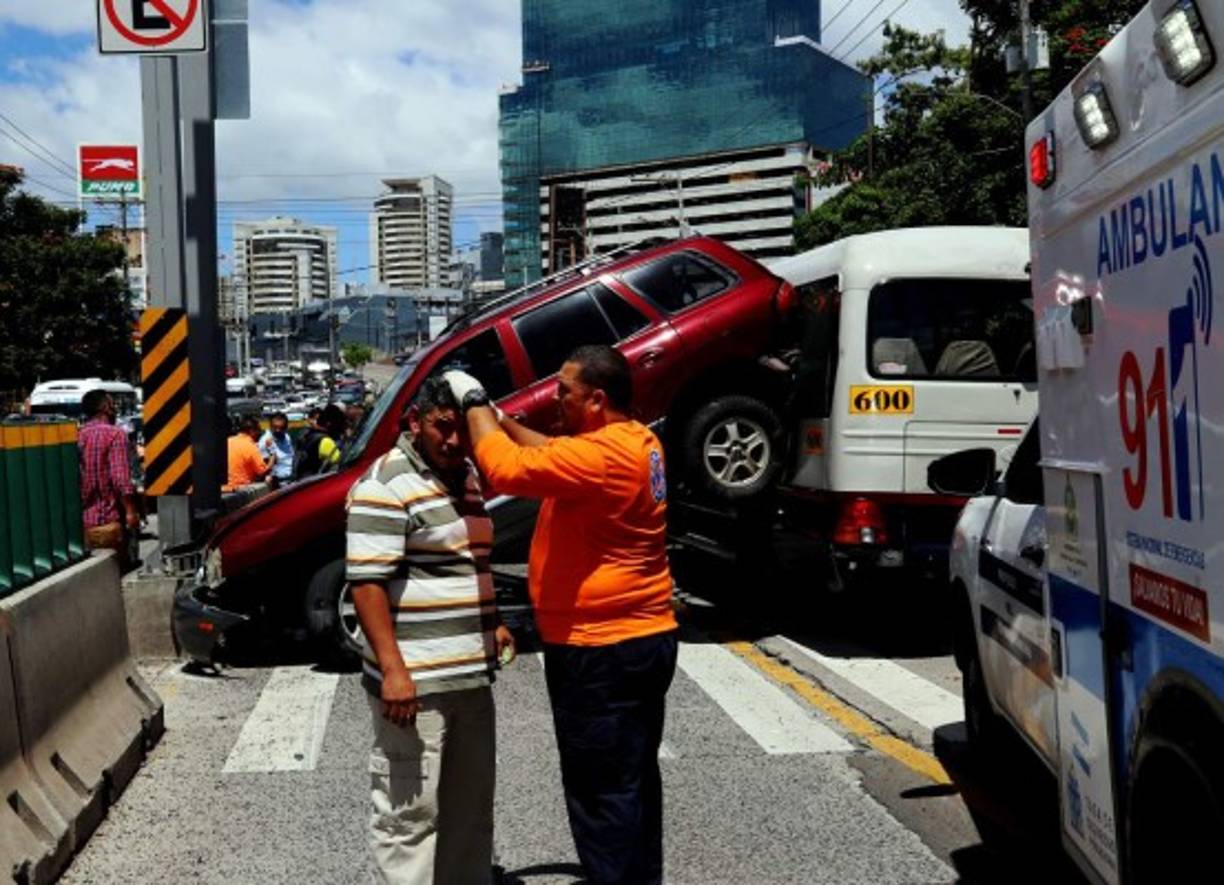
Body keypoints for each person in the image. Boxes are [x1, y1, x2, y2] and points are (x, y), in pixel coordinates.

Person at [444, 344, 678, 885]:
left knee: (600, 790)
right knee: (633, 779)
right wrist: (501, 418)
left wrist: (472, 401)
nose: (555, 399)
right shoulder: (636, 442)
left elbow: (503, 468)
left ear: (596, 399)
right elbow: (550, 449)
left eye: (564, 392)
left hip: (601, 649)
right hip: (642, 637)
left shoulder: (602, 458)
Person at [345, 376, 515, 883]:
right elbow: (367, 584)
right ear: (415, 423)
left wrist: (493, 623)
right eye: (443, 427)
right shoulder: (385, 484)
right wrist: (394, 672)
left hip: (469, 676)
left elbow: (471, 560)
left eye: (463, 428)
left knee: (469, 808)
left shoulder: (467, 476)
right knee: (409, 814)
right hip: (415, 683)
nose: (455, 440)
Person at [78, 389, 140, 565]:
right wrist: (130, 511)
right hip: (110, 520)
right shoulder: (115, 434)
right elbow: (120, 479)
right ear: (105, 407)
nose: (115, 409)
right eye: (113, 404)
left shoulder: (78, 435)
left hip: (85, 523)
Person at [293, 404, 345, 480]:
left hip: (303, 480)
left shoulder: (308, 435)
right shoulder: (326, 441)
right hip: (316, 482)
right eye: (339, 424)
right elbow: (344, 465)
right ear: (329, 424)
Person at [224, 415, 271, 492]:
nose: (260, 434)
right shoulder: (250, 446)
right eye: (259, 430)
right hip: (239, 489)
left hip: (223, 488)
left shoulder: (228, 441)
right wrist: (273, 458)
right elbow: (262, 472)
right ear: (252, 431)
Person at [258, 411, 294, 488]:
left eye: (281, 428)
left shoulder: (286, 437)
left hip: (292, 477)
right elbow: (265, 467)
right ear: (270, 426)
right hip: (280, 482)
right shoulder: (265, 441)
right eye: (275, 427)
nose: (278, 430)